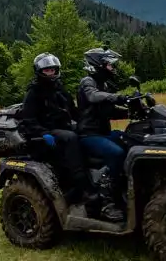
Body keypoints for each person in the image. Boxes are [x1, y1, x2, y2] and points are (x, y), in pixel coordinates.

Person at [16, 52, 93, 209]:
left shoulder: (60, 89)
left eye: (53, 69)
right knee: (71, 137)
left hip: (62, 127)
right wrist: (43, 133)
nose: (51, 73)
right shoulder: (34, 92)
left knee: (84, 132)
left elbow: (73, 111)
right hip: (46, 131)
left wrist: (88, 121)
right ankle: (80, 182)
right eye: (47, 70)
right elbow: (28, 119)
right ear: (39, 72)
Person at [76, 47, 131, 222]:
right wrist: (118, 97)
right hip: (88, 135)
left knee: (130, 141)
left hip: (103, 133)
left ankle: (126, 191)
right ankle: (106, 203)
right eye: (108, 65)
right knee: (116, 154)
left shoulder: (103, 84)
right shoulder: (88, 82)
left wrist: (133, 111)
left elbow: (109, 110)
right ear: (97, 65)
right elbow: (93, 97)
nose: (112, 68)